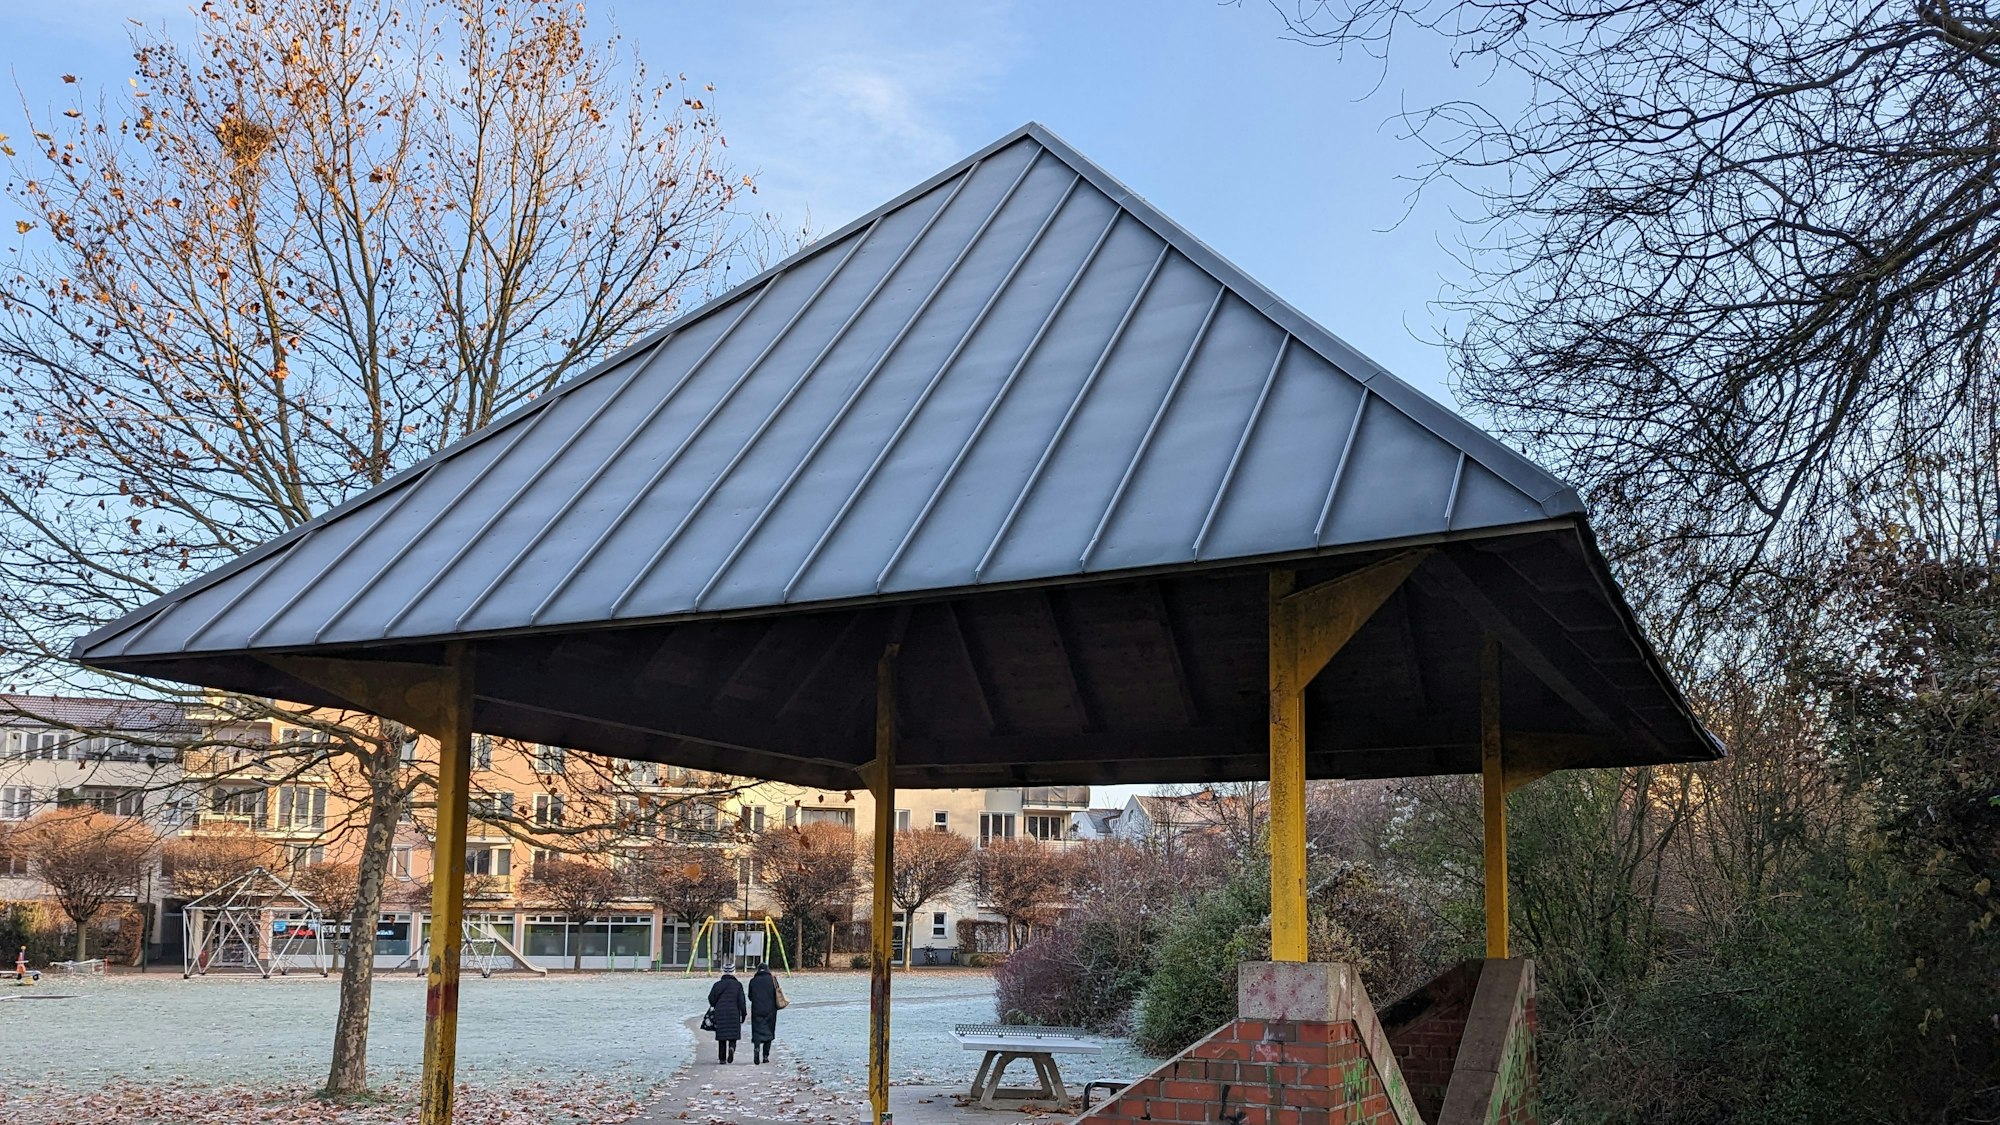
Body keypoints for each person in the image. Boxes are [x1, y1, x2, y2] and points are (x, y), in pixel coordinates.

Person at [707, 965, 747, 1063]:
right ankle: (732, 1047)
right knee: (733, 1034)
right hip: (734, 1012)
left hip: (720, 1012)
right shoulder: (738, 985)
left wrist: (715, 1004)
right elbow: (741, 1001)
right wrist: (744, 1014)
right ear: (734, 972)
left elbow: (711, 998)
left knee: (722, 1035)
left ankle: (722, 1059)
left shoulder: (717, 985)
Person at [746, 963, 780, 1064]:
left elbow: (750, 996)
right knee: (769, 1032)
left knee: (757, 1031)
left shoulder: (753, 981)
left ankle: (757, 1048)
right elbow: (777, 993)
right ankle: (765, 1056)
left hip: (757, 1010)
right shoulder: (773, 980)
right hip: (770, 1010)